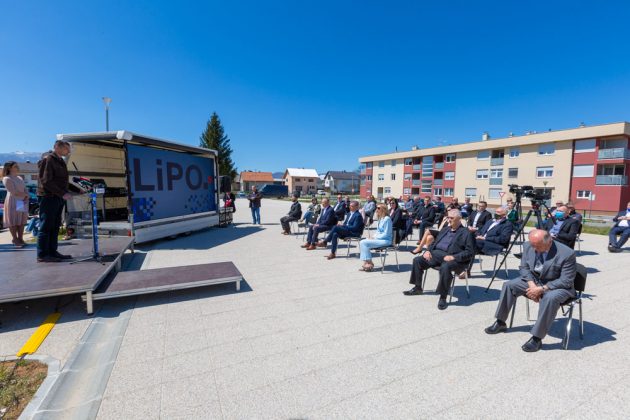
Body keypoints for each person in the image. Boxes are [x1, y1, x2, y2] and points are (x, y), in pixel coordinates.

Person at [484, 229, 576, 352]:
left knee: (550, 298)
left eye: (538, 246)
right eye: (533, 245)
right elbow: (524, 267)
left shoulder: (567, 253)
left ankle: (537, 338)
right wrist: (532, 285)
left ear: (549, 241)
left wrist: (542, 289)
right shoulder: (528, 245)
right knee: (509, 285)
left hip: (557, 286)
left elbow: (566, 280)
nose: (534, 249)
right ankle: (500, 322)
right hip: (535, 281)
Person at [403, 209, 475, 310]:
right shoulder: (445, 229)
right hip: (436, 255)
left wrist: (453, 257)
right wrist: (428, 251)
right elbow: (434, 243)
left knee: (445, 267)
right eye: (448, 217)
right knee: (418, 260)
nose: (448, 220)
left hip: (454, 259)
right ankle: (418, 288)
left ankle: (443, 297)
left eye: (451, 218)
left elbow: (470, 252)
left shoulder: (466, 233)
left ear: (459, 219)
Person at [36, 140, 73, 262]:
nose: (69, 151)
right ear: (58, 148)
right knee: (46, 226)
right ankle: (42, 255)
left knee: (55, 226)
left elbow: (62, 181)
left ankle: (52, 251)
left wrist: (78, 189)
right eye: (67, 149)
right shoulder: (48, 159)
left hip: (57, 197)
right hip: (48, 197)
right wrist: (63, 193)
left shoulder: (60, 161)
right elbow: (46, 181)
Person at [2, 161, 30, 247]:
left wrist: (27, 195)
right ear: (9, 168)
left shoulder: (19, 178)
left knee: (21, 221)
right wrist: (25, 195)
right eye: (15, 166)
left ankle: (20, 238)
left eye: (17, 165)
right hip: (13, 201)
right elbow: (13, 192)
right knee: (13, 221)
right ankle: (15, 239)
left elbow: (24, 188)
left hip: (21, 201)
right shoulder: (7, 178)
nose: (17, 167)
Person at [358, 204, 392, 272]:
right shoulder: (380, 219)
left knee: (364, 243)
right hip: (380, 239)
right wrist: (372, 237)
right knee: (362, 242)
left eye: (378, 208)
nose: (376, 209)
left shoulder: (387, 219)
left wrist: (375, 238)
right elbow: (378, 232)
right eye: (376, 208)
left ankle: (369, 263)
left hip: (386, 240)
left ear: (383, 209)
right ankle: (368, 262)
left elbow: (386, 233)